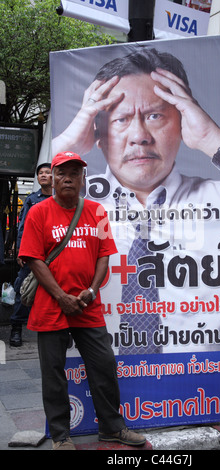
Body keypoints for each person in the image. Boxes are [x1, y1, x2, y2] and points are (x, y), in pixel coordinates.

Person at [51, 47, 220, 355]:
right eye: (121, 119)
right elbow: (36, 203)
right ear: (98, 134)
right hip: (102, 380)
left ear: (182, 123)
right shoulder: (75, 206)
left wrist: (210, 139)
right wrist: (68, 143)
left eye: (155, 115)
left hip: (195, 387)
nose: (140, 135)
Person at [18, 151, 146, 450]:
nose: (68, 178)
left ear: (82, 179)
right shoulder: (39, 212)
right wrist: (61, 297)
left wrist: (90, 290)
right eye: (62, 173)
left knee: (103, 365)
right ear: (53, 176)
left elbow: (104, 254)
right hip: (51, 306)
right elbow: (34, 259)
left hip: (88, 306)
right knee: (53, 374)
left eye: (74, 173)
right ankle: (61, 436)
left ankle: (112, 428)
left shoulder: (97, 212)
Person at [9, 163, 52, 347]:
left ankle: (58, 331)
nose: (43, 175)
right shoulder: (32, 199)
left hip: (54, 254)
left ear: (53, 176)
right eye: (40, 173)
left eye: (47, 172)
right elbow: (23, 227)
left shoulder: (61, 199)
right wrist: (21, 251)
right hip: (33, 255)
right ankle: (16, 329)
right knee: (23, 289)